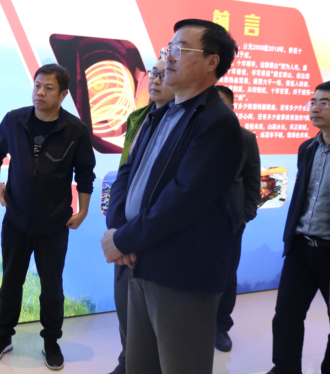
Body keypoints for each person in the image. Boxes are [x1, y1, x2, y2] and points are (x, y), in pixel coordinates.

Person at [101, 19, 242, 374]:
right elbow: (126, 174)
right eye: (169, 48)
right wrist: (118, 230)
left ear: (211, 61)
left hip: (181, 274)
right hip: (140, 262)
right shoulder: (159, 114)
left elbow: (183, 200)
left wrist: (123, 239)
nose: (169, 58)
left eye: (180, 49)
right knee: (139, 365)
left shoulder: (217, 122)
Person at [0, 63, 96, 371]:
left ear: (63, 94)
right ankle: (3, 336)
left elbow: (86, 174)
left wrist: (83, 210)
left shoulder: (75, 130)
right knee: (10, 283)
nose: (40, 92)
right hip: (16, 221)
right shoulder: (15, 119)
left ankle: (51, 341)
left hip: (54, 225)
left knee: (52, 288)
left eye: (48, 88)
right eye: (37, 86)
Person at [109, 55, 174, 374]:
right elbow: (124, 173)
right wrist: (117, 230)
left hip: (157, 237)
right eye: (153, 74)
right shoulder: (139, 119)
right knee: (125, 306)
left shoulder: (185, 123)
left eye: (164, 75)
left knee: (159, 323)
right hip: (127, 233)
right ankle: (127, 361)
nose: (156, 81)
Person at [267, 82, 330, 374]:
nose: (315, 108)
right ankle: (285, 369)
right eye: (313, 101)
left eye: (324, 102)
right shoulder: (307, 148)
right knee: (286, 316)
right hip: (301, 247)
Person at [214, 85, 261, 352]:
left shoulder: (245, 138)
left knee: (227, 275)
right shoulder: (193, 134)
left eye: (221, 102)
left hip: (231, 221)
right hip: (194, 221)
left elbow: (253, 180)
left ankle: (220, 325)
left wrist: (246, 214)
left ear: (232, 108)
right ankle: (192, 322)